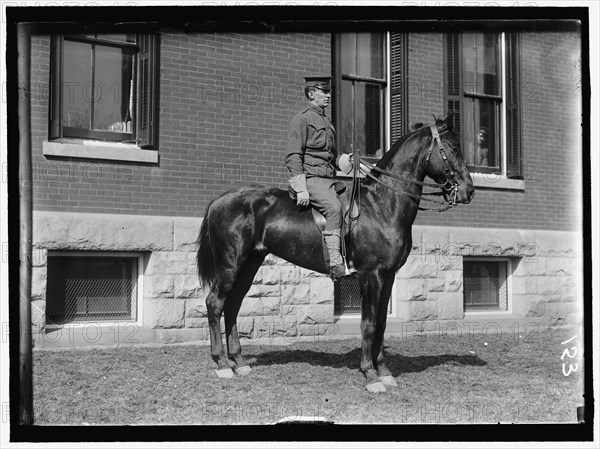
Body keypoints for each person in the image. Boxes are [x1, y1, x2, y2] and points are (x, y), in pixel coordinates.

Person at [285, 76, 354, 279]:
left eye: (329, 91)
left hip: (329, 178)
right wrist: (300, 187)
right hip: (312, 179)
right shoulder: (302, 119)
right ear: (311, 93)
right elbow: (293, 154)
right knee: (334, 209)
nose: (328, 95)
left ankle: (351, 255)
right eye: (324, 92)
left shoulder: (326, 121)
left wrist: (346, 160)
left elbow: (329, 155)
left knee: (353, 204)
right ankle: (335, 263)